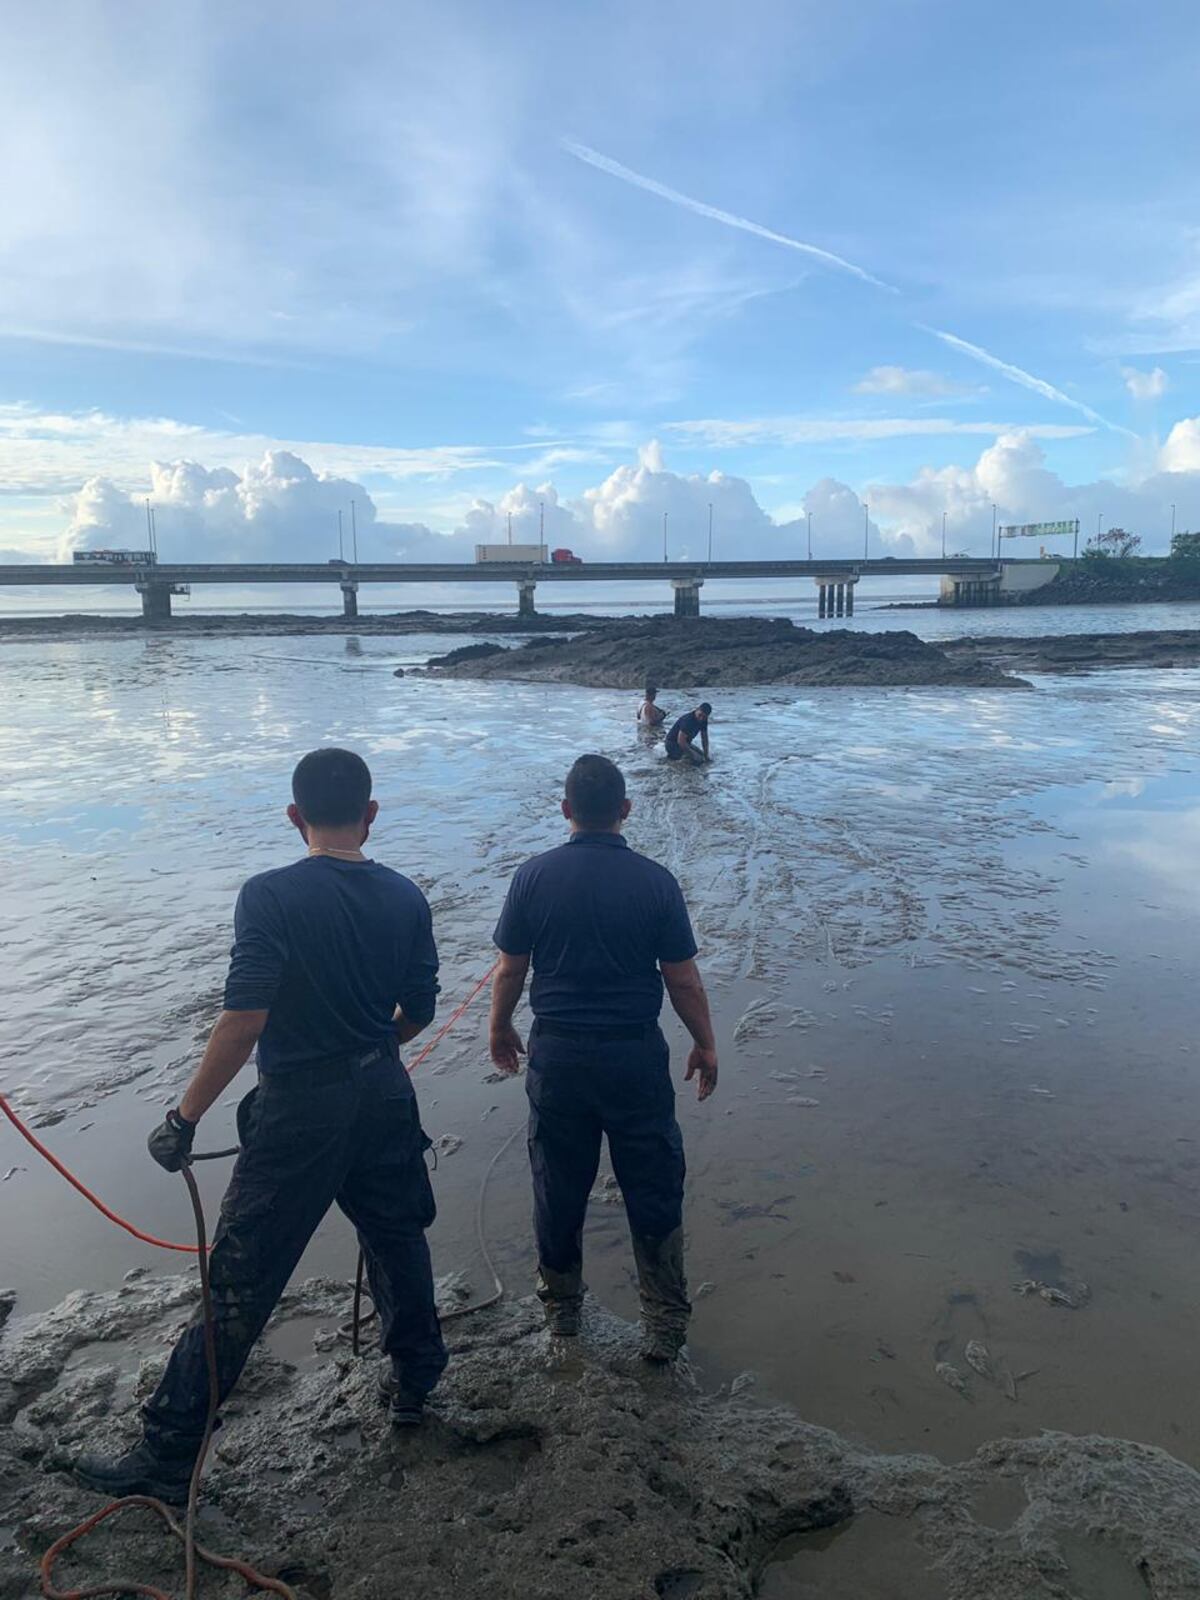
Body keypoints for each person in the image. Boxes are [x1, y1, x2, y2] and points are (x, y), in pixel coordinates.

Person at [75, 748, 447, 1503]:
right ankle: (414, 1385)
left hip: (300, 1109)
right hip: (383, 1095)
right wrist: (373, 1052)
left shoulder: (268, 896)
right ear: (371, 815)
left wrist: (182, 1118)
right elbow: (421, 1011)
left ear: (293, 816)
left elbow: (245, 1020)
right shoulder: (406, 896)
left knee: (242, 1275)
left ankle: (169, 1453)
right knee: (397, 1237)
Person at [488, 754, 718, 1364]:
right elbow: (683, 979)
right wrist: (706, 1042)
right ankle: (664, 1324)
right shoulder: (655, 881)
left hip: (556, 1056)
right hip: (633, 1057)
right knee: (653, 1181)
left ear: (566, 811)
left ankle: (563, 1313)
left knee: (557, 1183)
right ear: (625, 810)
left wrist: (499, 1028)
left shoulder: (531, 877)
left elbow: (511, 967)